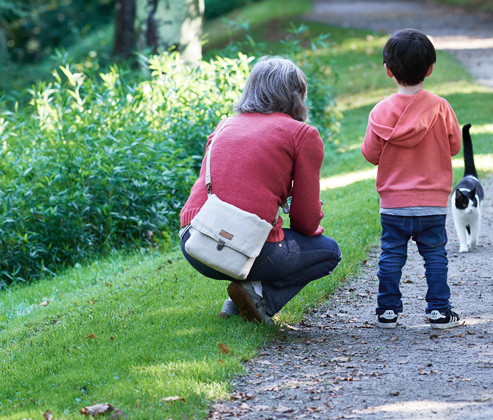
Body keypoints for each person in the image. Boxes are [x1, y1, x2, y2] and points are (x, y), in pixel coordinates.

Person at [179, 56, 341, 325]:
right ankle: (260, 299)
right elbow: (305, 220)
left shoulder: (224, 126)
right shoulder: (302, 134)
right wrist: (312, 229)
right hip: (241, 248)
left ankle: (235, 303)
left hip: (193, 241)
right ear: (296, 95)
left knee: (250, 234)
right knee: (328, 251)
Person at [361, 28, 463, 329]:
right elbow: (455, 146)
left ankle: (387, 311)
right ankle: (439, 312)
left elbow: (371, 154)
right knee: (435, 256)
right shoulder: (441, 107)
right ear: (430, 69)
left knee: (391, 255)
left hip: (394, 204)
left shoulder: (380, 112)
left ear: (388, 71)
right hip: (433, 203)